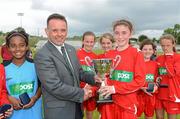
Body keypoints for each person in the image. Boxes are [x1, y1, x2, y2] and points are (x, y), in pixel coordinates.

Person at [34, 13, 100, 119]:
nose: (60, 34)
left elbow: (79, 72)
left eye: (63, 30)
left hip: (76, 108)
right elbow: (54, 86)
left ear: (67, 31)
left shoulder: (71, 49)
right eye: (55, 30)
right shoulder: (42, 55)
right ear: (47, 31)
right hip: (59, 113)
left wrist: (94, 78)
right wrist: (81, 93)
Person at [99, 19, 146, 119]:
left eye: (124, 33)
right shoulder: (109, 54)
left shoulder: (137, 53)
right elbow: (105, 77)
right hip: (108, 103)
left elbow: (140, 81)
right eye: (117, 33)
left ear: (130, 33)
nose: (120, 37)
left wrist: (115, 88)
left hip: (127, 105)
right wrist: (101, 79)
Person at [3, 27, 42, 119]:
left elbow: (42, 86)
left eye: (21, 45)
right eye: (13, 45)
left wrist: (34, 98)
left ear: (27, 46)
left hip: (34, 115)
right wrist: (9, 98)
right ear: (8, 47)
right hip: (12, 116)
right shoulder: (2, 68)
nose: (18, 49)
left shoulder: (36, 65)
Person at [155, 34, 180, 119]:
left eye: (168, 45)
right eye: (162, 45)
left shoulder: (178, 58)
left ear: (173, 44)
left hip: (172, 94)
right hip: (159, 94)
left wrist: (169, 56)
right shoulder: (159, 58)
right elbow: (157, 74)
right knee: (159, 117)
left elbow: (171, 73)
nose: (165, 48)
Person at [76, 31, 98, 119]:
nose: (89, 44)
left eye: (91, 42)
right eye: (87, 41)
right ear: (83, 41)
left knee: (89, 114)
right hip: (79, 90)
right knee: (79, 114)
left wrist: (92, 89)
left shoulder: (95, 57)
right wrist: (84, 86)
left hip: (91, 91)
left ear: (94, 42)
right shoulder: (76, 54)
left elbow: (97, 75)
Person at [137, 39, 158, 119]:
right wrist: (141, 88)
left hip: (150, 96)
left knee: (149, 117)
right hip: (138, 95)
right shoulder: (136, 64)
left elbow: (157, 80)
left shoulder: (155, 65)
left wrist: (156, 86)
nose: (147, 51)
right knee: (135, 116)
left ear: (153, 51)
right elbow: (131, 81)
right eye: (145, 49)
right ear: (141, 50)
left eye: (150, 49)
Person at [97, 33, 115, 119]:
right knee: (103, 114)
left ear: (112, 43)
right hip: (103, 90)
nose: (106, 45)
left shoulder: (117, 56)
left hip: (115, 91)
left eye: (108, 43)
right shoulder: (99, 58)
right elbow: (97, 76)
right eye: (103, 43)